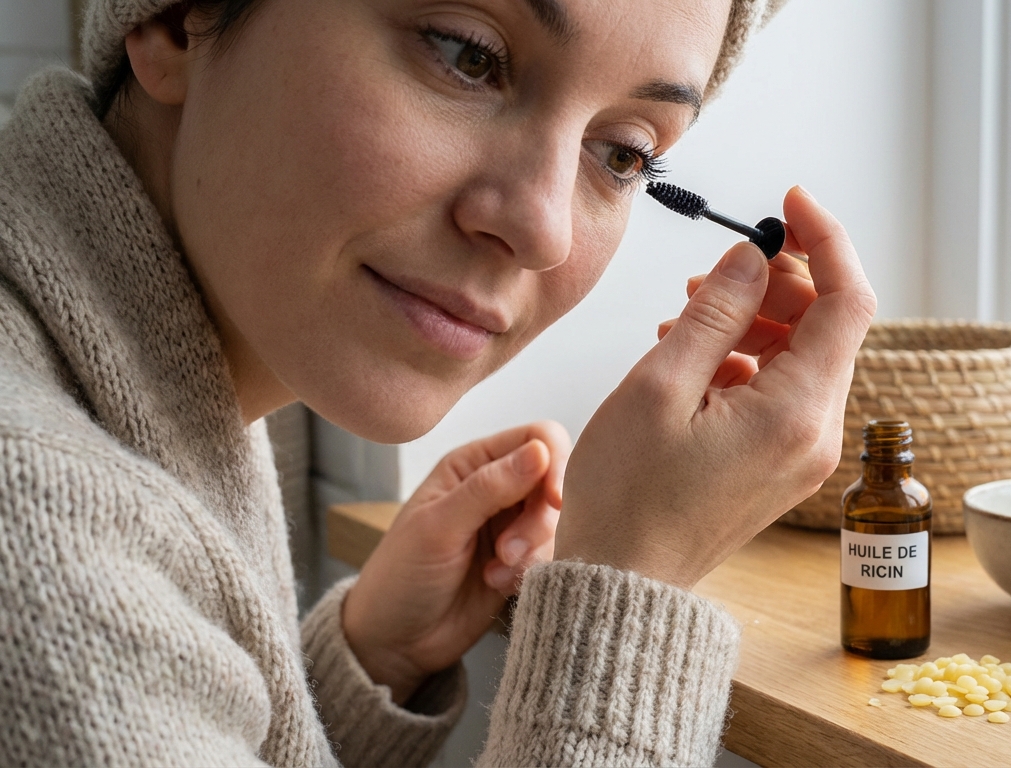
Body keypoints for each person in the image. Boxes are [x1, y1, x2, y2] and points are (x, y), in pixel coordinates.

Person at [0, 0, 876, 765]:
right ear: (174, 19)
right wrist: (631, 581)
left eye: (621, 155)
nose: (543, 229)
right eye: (467, 54)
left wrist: (362, 668)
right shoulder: (38, 521)